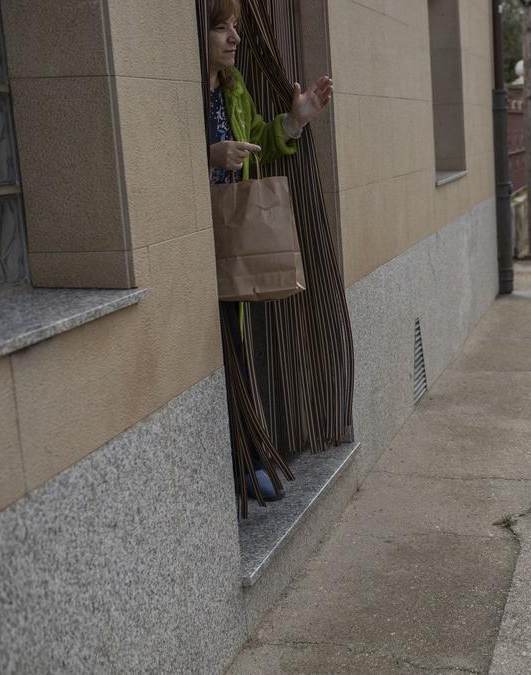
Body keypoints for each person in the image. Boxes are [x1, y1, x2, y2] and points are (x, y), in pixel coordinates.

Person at [204, 0, 333, 501]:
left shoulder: (233, 91)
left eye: (236, 27)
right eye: (222, 28)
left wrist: (294, 123)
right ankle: (241, 464)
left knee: (236, 349)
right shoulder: (181, 91)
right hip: (192, 246)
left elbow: (259, 138)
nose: (234, 38)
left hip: (231, 242)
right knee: (217, 349)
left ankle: (247, 461)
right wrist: (208, 157)